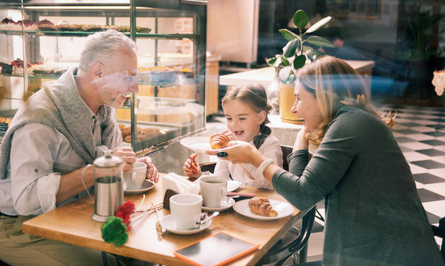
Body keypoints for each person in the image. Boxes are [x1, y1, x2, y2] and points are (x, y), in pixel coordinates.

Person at [207, 56, 444, 265]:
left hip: (390, 255)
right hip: (380, 249)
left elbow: (303, 194)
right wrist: (302, 137)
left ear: (323, 95)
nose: (293, 107)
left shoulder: (350, 125)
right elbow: (300, 186)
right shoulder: (351, 121)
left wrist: (255, 158)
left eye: (299, 98)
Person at [0, 30, 159, 266]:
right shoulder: (41, 117)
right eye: (128, 77)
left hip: (74, 210)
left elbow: (111, 157)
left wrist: (130, 165)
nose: (135, 88)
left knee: (143, 256)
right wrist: (99, 169)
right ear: (98, 71)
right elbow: (26, 199)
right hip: (21, 226)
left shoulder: (104, 108)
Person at [184, 84, 282, 189]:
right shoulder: (228, 145)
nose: (234, 125)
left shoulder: (270, 145)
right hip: (237, 202)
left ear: (260, 117)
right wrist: (199, 175)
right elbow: (220, 181)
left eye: (242, 118)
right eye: (229, 118)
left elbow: (268, 184)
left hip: (265, 202)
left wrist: (241, 157)